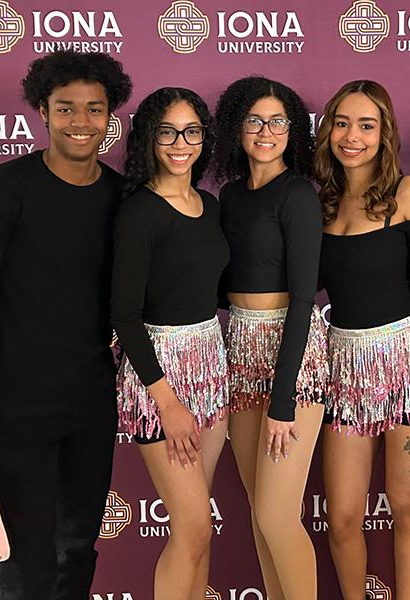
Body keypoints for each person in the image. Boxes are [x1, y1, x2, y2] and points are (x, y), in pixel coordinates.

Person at [0, 50, 132, 599]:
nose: (81, 122)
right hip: (15, 409)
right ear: (43, 113)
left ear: (110, 115)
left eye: (94, 109)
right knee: (25, 558)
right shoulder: (0, 190)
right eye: (66, 108)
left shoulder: (121, 197)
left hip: (92, 405)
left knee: (77, 548)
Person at [314, 80, 410, 600]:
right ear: (328, 131)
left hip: (408, 368)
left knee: (407, 506)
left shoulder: (409, 194)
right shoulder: (322, 204)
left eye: (366, 125)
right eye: (343, 124)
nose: (353, 136)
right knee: (344, 516)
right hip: (344, 371)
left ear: (384, 133)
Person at [112, 87, 229, 600]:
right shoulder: (140, 213)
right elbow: (124, 316)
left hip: (211, 366)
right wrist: (168, 401)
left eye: (192, 131)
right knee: (193, 529)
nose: (181, 143)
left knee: (198, 531)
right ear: (148, 139)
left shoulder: (210, 204)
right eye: (167, 132)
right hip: (159, 377)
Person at [212, 76, 327, 600]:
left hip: (292, 355)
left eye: (278, 121)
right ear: (236, 128)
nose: (265, 131)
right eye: (254, 120)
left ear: (293, 131)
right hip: (238, 352)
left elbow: (304, 297)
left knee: (280, 517)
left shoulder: (299, 195)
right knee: (261, 516)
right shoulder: (229, 196)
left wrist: (284, 399)